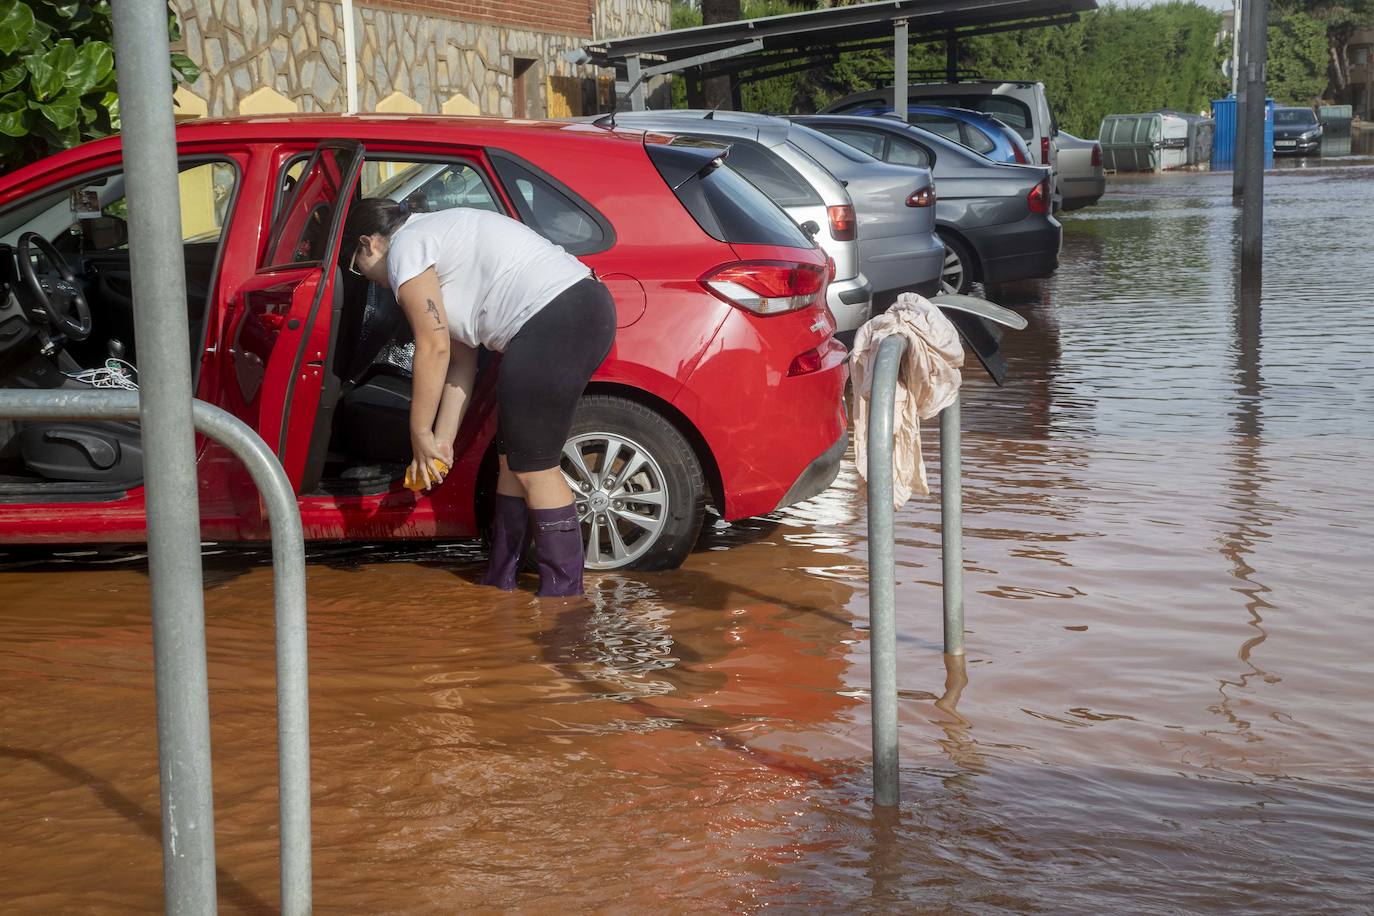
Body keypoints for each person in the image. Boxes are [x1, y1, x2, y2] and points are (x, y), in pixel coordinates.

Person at [342, 197, 616, 597]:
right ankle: (500, 583)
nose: (369, 280)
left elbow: (432, 345)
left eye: (357, 268)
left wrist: (418, 432)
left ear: (369, 244)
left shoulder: (406, 247)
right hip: (566, 313)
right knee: (512, 464)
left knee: (535, 469)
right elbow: (459, 362)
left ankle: (564, 601)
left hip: (557, 316)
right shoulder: (431, 241)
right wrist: (442, 440)